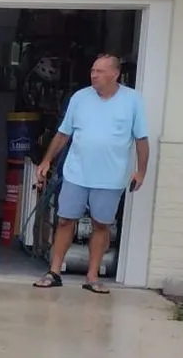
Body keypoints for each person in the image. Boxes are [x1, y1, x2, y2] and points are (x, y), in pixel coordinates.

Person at [32, 54, 149, 294]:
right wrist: (46, 161)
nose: (93, 75)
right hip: (76, 173)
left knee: (101, 225)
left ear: (115, 74)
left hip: (111, 177)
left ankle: (92, 276)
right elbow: (63, 133)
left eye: (99, 71)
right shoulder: (80, 97)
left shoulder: (132, 100)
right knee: (65, 220)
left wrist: (141, 171)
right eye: (93, 70)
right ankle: (54, 271)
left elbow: (141, 139)